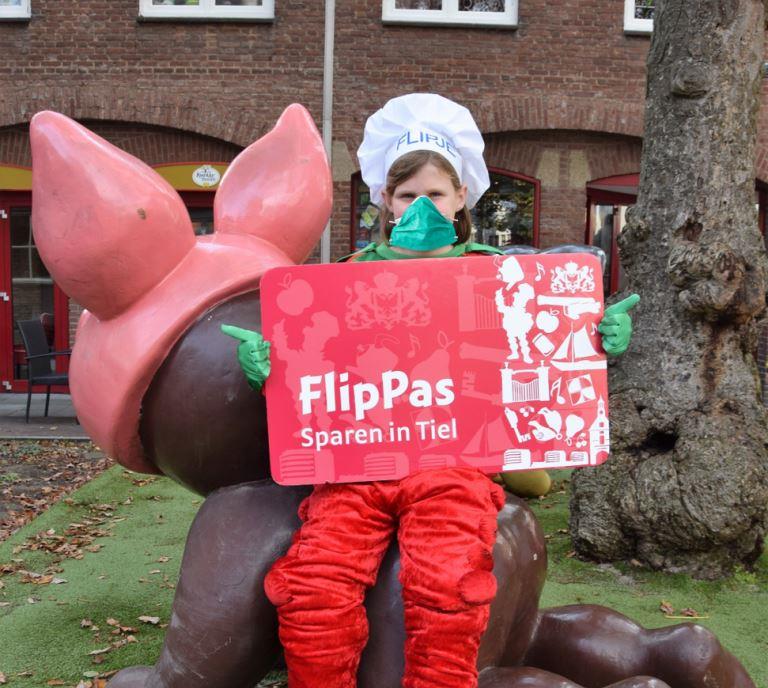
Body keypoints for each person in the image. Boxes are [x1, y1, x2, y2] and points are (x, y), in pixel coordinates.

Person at [222, 93, 637, 688]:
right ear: (385, 200)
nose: (421, 206)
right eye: (407, 194)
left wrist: (595, 339)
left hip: (453, 467)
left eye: (436, 193)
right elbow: (313, 383)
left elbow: (546, 363)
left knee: (449, 583)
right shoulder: (340, 279)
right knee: (313, 587)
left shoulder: (502, 276)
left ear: (462, 196)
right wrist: (271, 368)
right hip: (356, 467)